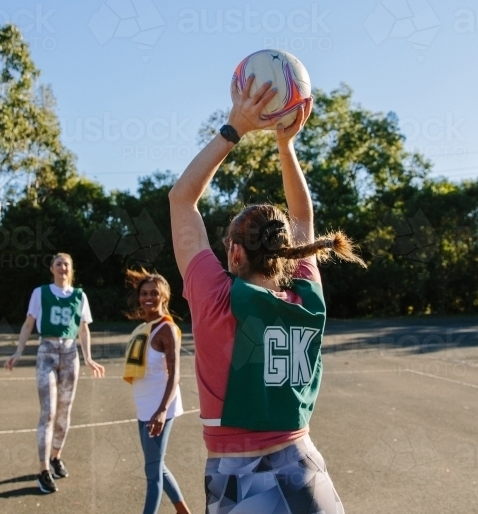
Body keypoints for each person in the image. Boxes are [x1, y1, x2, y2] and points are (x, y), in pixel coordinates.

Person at [168, 76, 366, 513]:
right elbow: (302, 216)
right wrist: (286, 144)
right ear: (289, 255)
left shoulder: (217, 298)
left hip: (239, 476)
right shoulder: (307, 299)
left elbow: (182, 199)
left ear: (235, 252)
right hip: (305, 465)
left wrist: (235, 126)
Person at [5, 252, 106, 494]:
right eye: (58, 263)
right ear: (52, 268)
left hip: (70, 355)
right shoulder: (41, 293)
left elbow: (83, 330)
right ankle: (43, 470)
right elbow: (29, 323)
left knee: (64, 411)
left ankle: (55, 456)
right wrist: (19, 351)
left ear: (71, 270)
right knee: (48, 412)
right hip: (47, 353)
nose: (63, 267)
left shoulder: (80, 296)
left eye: (66, 264)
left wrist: (89, 357)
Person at [122, 268, 192, 514]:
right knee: (156, 465)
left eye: (154, 293)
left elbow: (175, 375)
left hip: (161, 408)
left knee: (152, 473)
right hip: (144, 406)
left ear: (164, 296)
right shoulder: (145, 327)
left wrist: (162, 411)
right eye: (143, 293)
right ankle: (183, 511)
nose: (147, 298)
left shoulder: (167, 330)